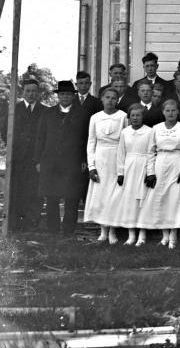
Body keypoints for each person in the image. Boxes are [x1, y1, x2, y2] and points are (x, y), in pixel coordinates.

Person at [35, 81, 90, 235]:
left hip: (73, 161)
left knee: (71, 197)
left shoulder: (82, 114)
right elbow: (40, 137)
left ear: (73, 96)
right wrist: (38, 160)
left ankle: (68, 230)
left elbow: (87, 138)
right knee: (51, 196)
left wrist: (84, 159)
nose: (65, 97)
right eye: (62, 94)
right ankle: (52, 230)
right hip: (50, 161)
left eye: (68, 94)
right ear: (58, 96)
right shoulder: (48, 113)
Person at [137, 100, 180, 249]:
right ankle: (164, 234)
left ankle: (173, 235)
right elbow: (150, 151)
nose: (170, 113)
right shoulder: (156, 128)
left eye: (173, 110)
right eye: (167, 111)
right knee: (160, 197)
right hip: (160, 162)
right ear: (163, 112)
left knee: (175, 198)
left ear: (178, 111)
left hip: (176, 162)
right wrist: (150, 172)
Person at [85, 88, 128, 244]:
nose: (110, 100)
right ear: (102, 99)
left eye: (113, 98)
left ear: (117, 100)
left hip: (117, 156)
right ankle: (103, 231)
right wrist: (91, 166)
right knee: (101, 195)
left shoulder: (123, 116)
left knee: (115, 195)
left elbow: (126, 140)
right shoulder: (95, 117)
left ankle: (113, 232)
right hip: (100, 157)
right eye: (107, 97)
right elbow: (91, 142)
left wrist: (123, 165)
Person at [113, 104, 153, 246]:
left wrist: (150, 172)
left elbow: (151, 153)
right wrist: (120, 173)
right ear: (129, 117)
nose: (135, 118)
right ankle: (131, 235)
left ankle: (142, 235)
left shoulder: (149, 131)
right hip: (129, 167)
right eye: (133, 115)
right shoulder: (125, 132)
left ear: (143, 117)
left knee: (142, 200)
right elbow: (121, 153)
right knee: (129, 200)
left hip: (143, 166)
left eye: (138, 115)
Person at [7, 79, 44, 232]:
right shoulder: (14, 110)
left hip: (36, 158)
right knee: (17, 189)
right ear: (22, 92)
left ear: (38, 93)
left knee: (35, 190)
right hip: (18, 158)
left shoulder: (45, 111)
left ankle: (32, 223)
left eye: (34, 91)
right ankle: (15, 223)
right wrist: (14, 148)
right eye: (28, 91)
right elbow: (5, 130)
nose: (31, 94)